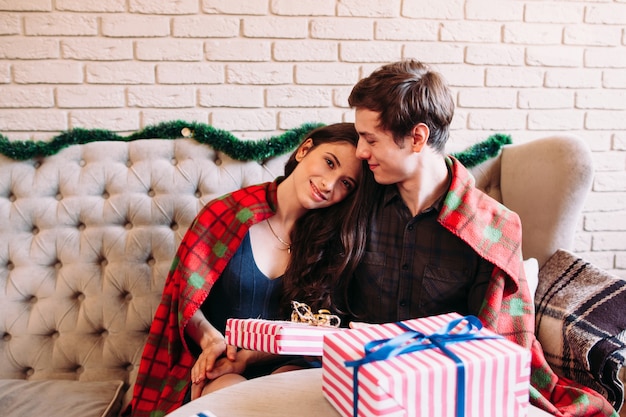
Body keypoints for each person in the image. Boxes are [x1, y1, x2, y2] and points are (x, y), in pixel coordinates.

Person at [335, 59, 617, 417]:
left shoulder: (493, 227)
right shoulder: (357, 198)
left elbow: (497, 343)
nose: (360, 151)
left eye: (370, 139)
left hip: (444, 385)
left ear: (418, 137)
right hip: (360, 376)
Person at [129, 123, 366, 417]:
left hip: (291, 361)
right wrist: (211, 340)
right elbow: (186, 303)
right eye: (329, 162)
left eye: (346, 183)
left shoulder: (333, 243)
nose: (330, 183)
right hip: (223, 360)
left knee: (294, 396)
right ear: (305, 149)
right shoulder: (226, 214)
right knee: (233, 398)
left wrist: (248, 358)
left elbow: (322, 328)